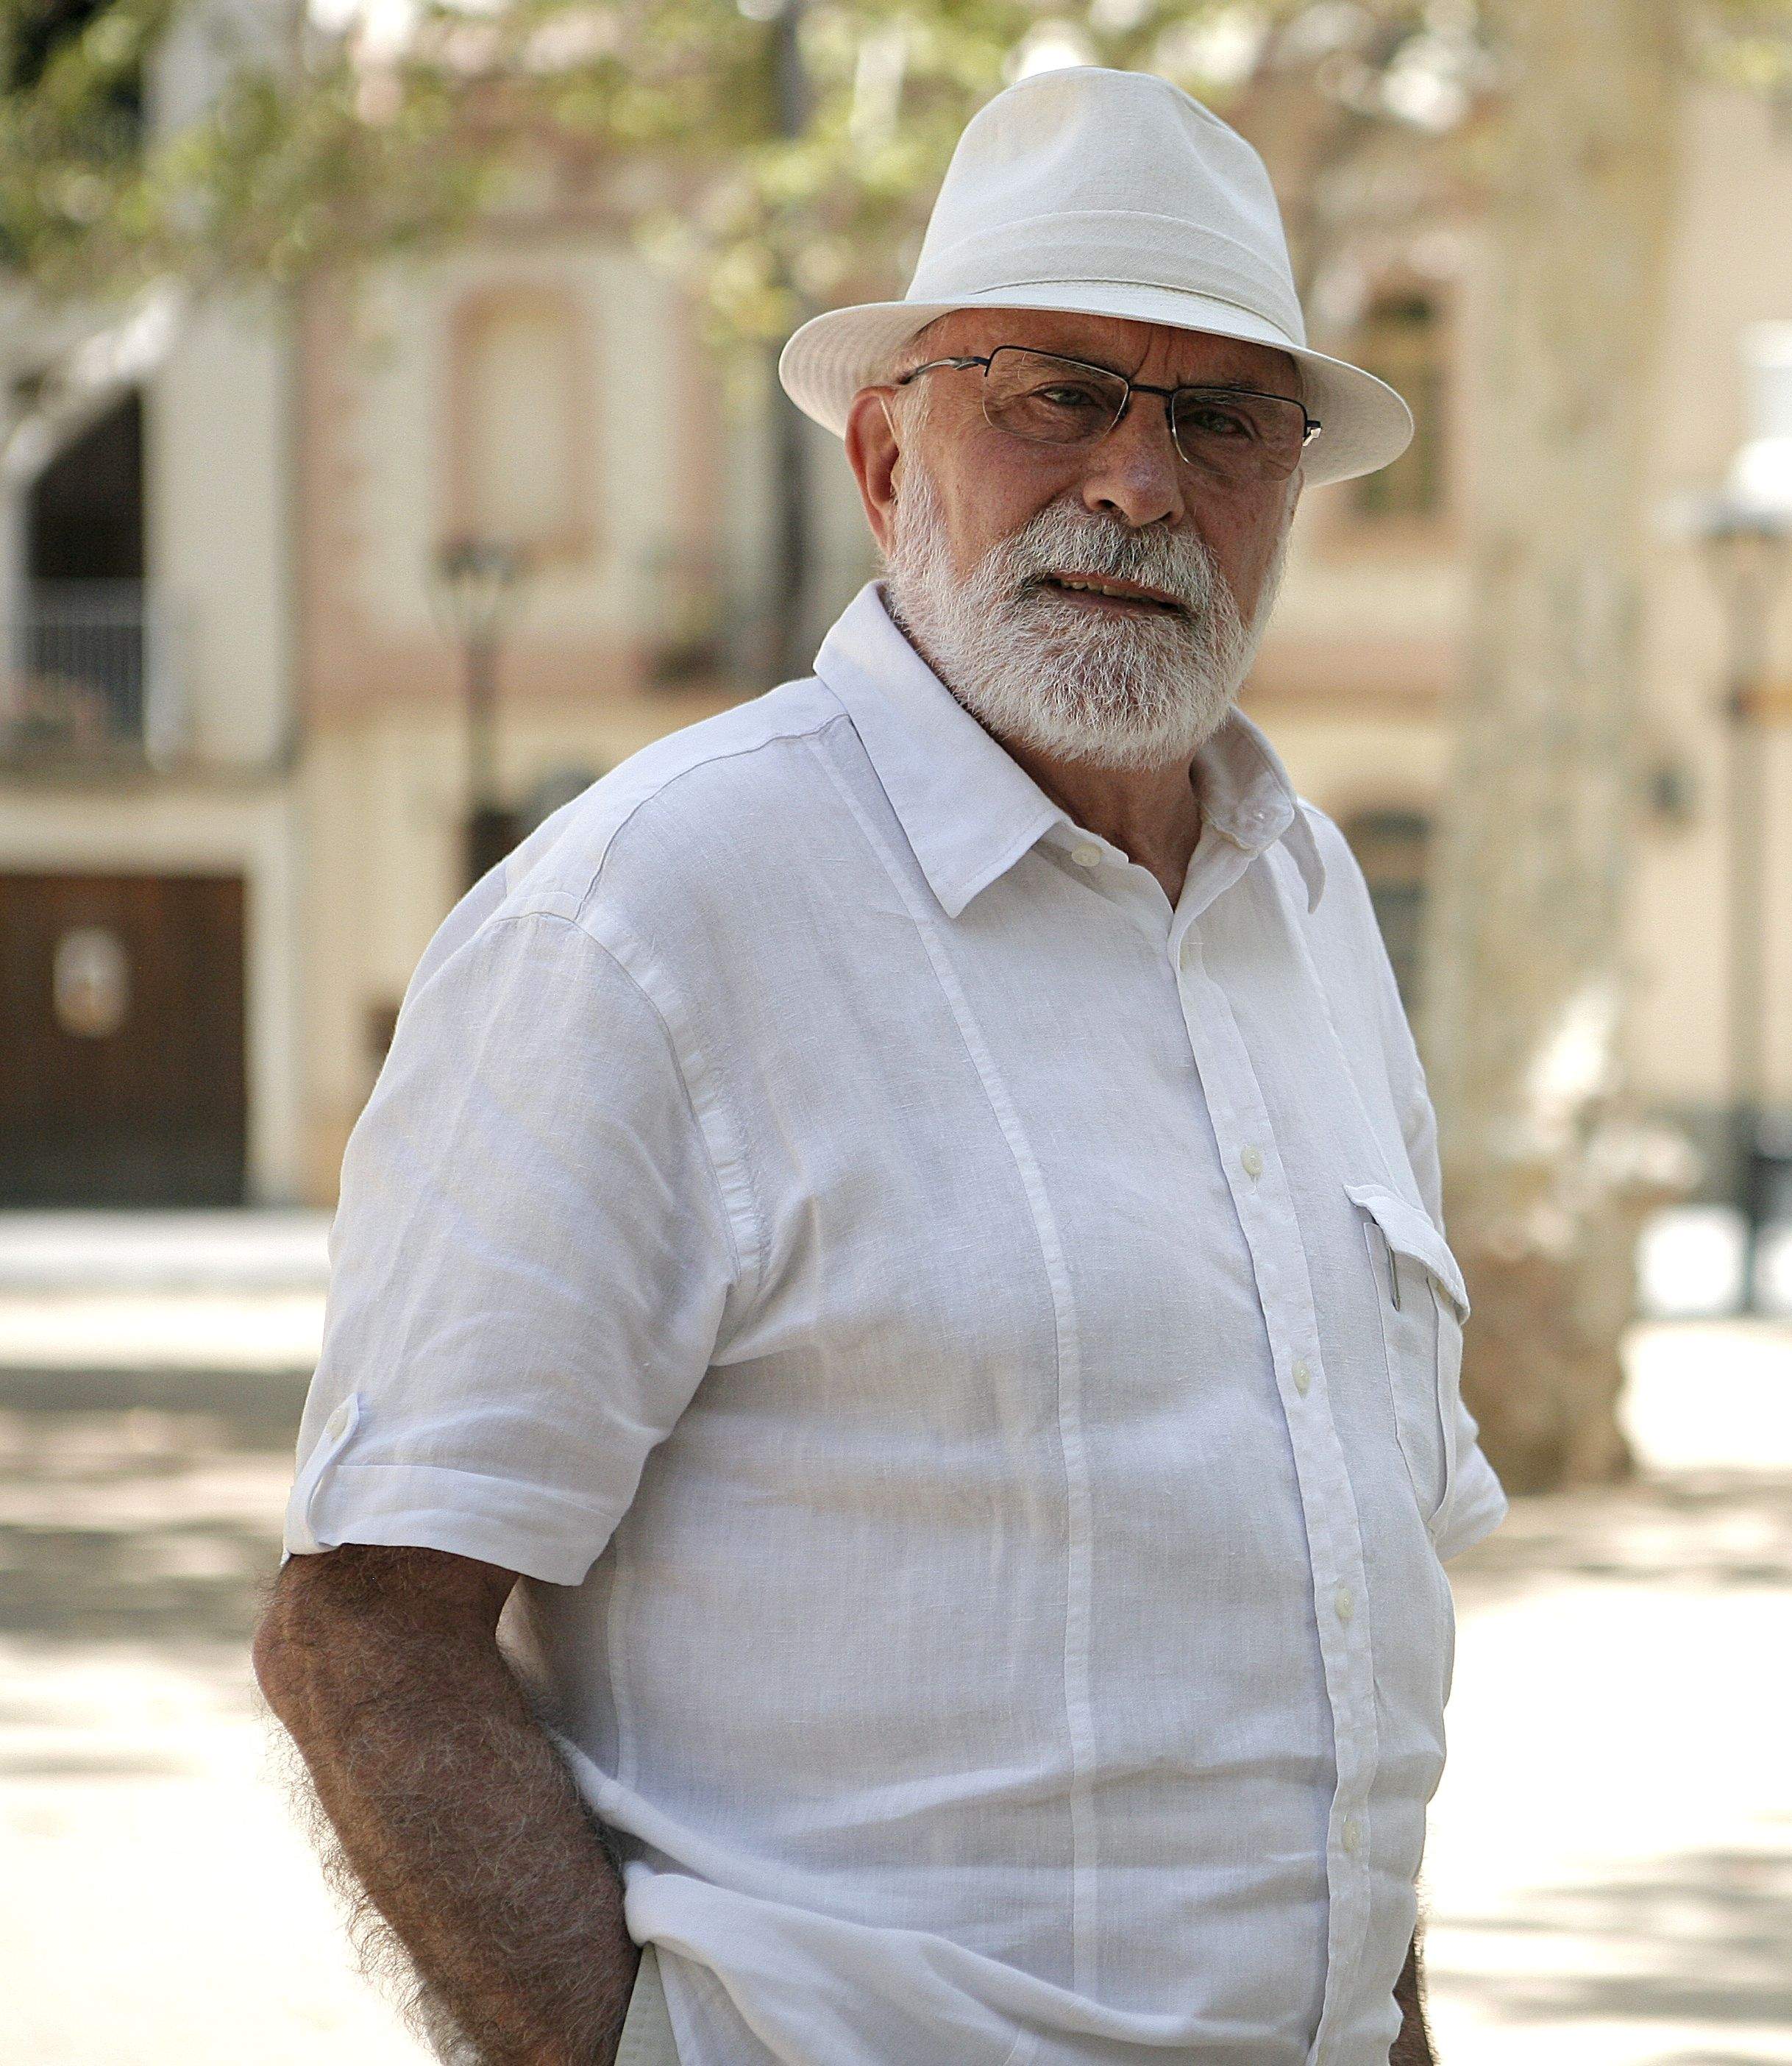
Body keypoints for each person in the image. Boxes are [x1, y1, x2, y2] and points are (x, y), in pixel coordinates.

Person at [254, 67, 1499, 2066]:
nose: (1140, 484)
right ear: (884, 459)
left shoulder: (1314, 906)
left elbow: (1331, 1636)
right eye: (1057, 393)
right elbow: (366, 1637)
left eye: (1221, 419)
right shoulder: (651, 915)